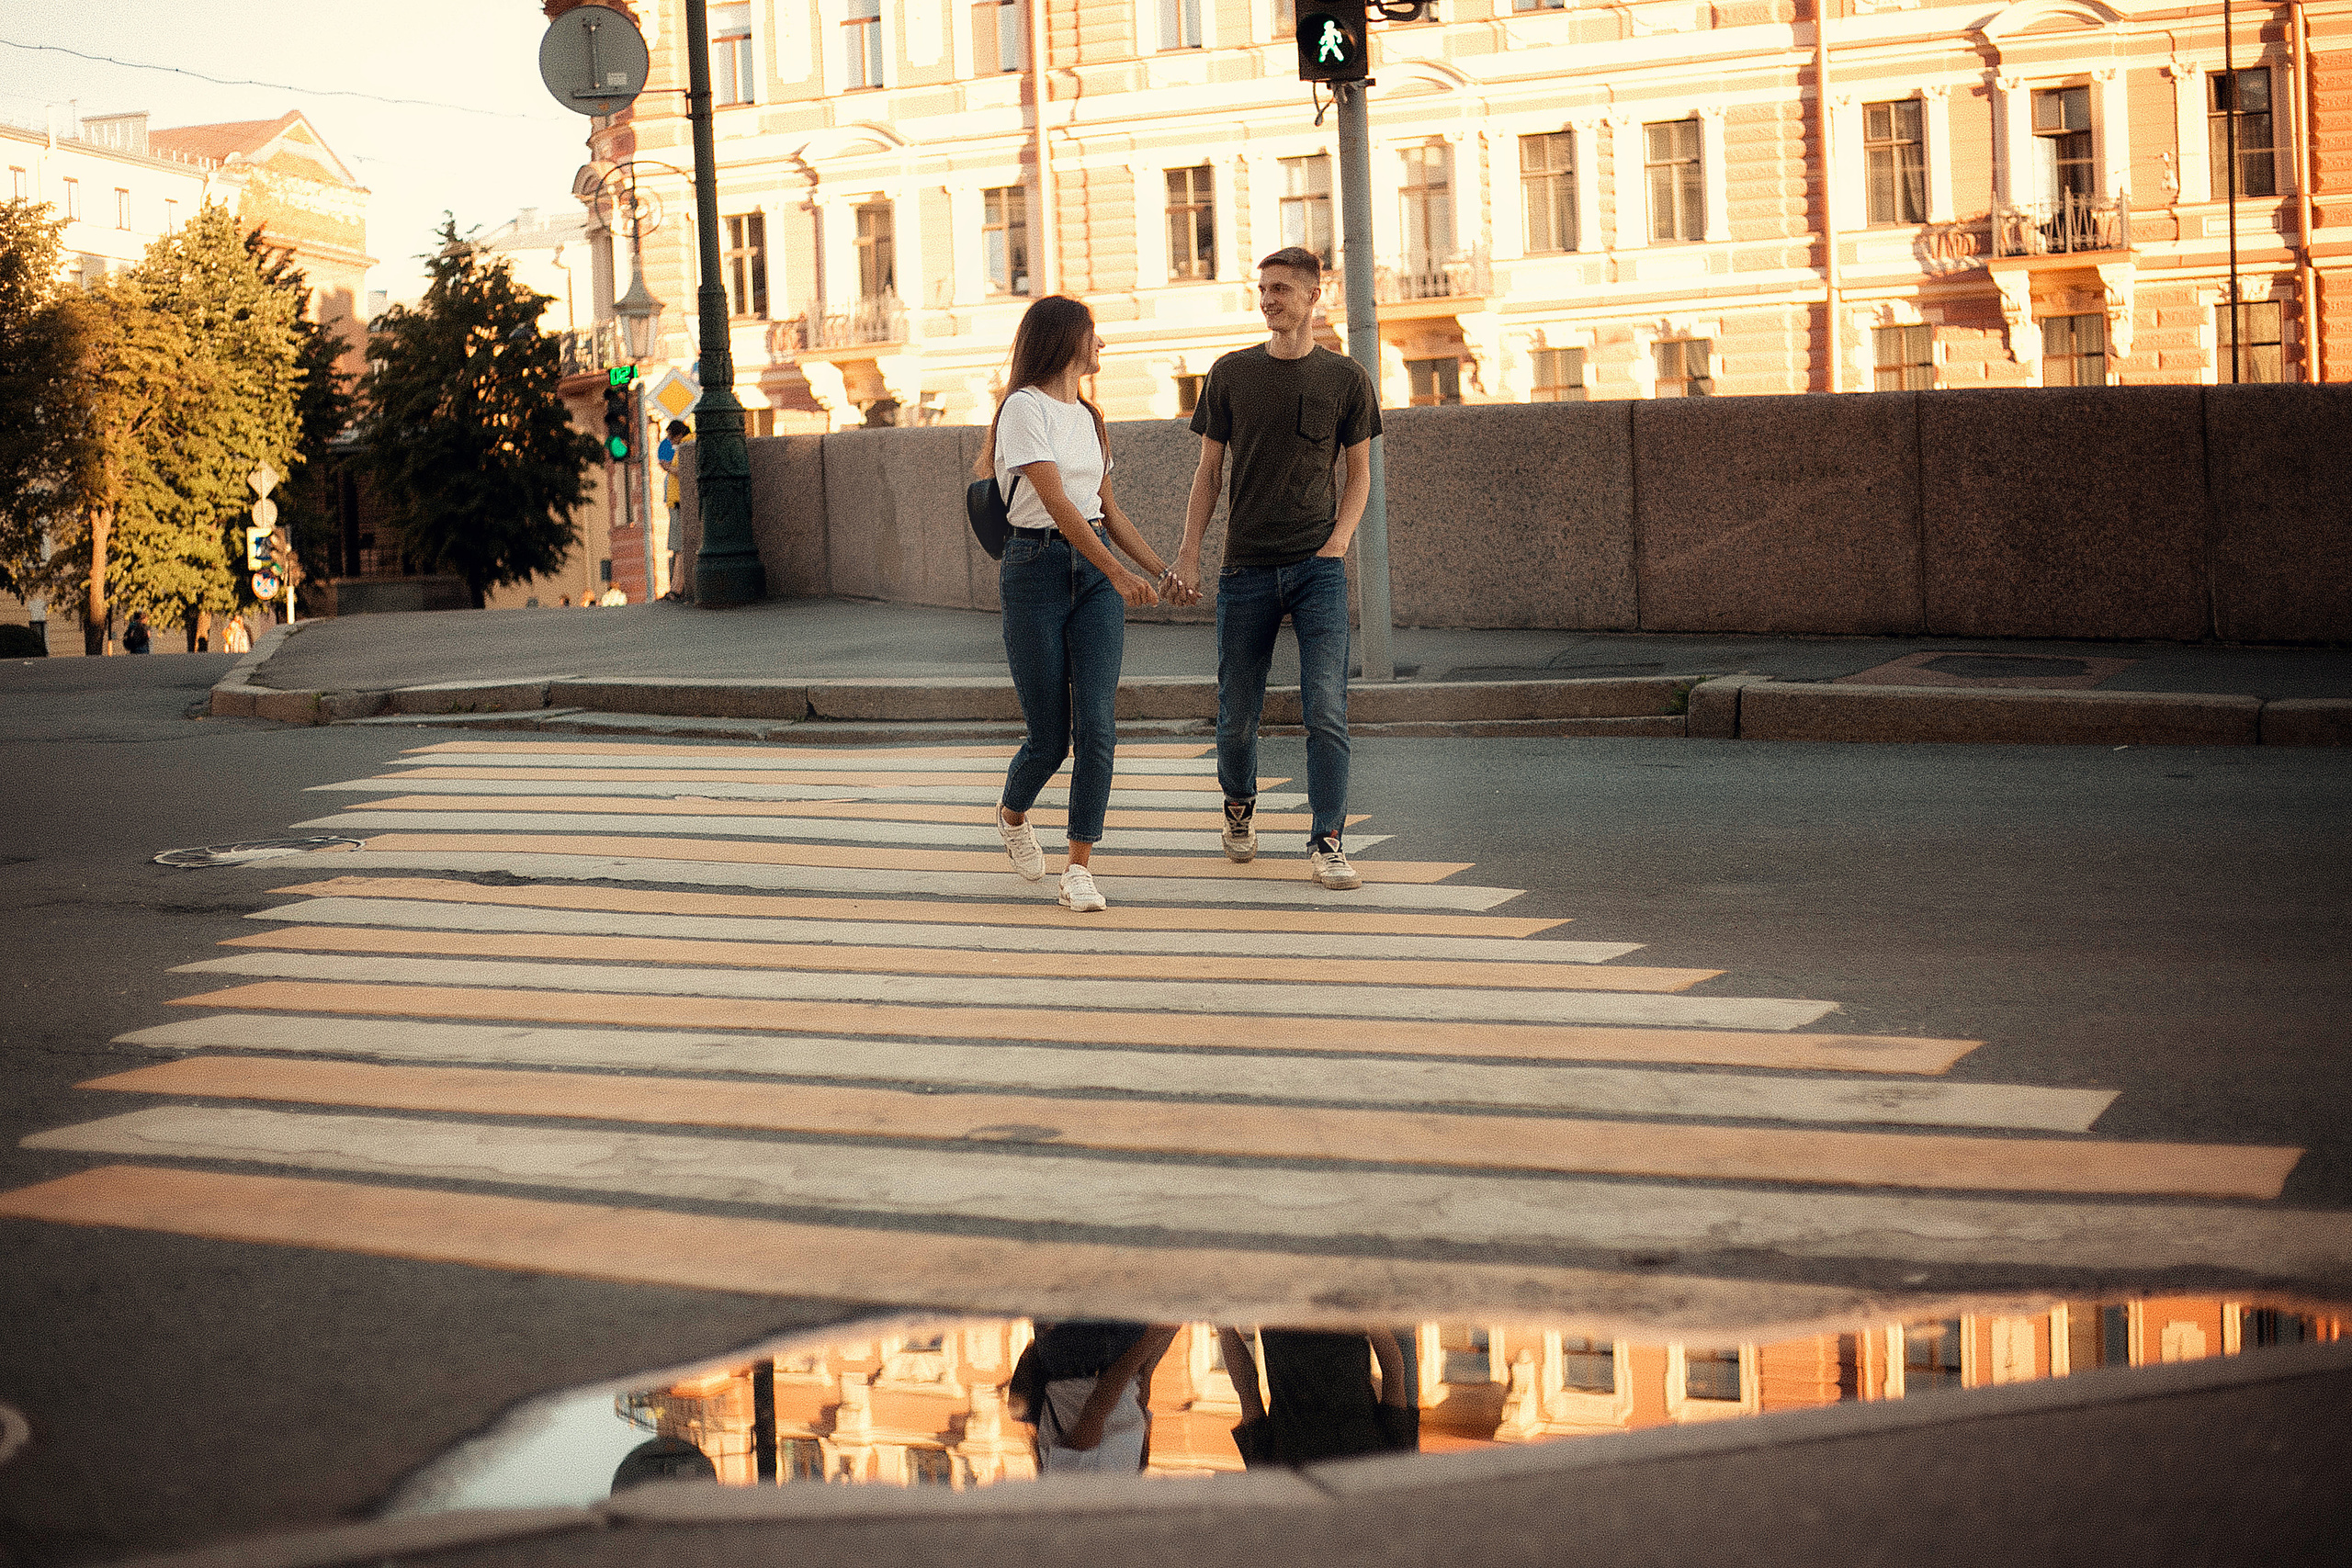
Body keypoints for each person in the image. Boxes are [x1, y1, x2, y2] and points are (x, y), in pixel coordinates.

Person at [1171, 246, 1379, 891]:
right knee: (1237, 714)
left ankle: (1328, 840)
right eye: (1263, 288)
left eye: (1282, 289)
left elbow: (1360, 473)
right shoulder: (1231, 374)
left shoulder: (1346, 379)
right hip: (1246, 569)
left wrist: (1339, 542)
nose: (1269, 299)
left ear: (1316, 295)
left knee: (1326, 707)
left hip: (1317, 568)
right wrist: (1189, 552)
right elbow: (1209, 474)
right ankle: (1239, 805)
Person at [979, 295, 1178, 914]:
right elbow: (1059, 504)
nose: (1102, 346)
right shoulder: (1022, 408)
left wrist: (1161, 571)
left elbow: (1106, 511)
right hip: (1035, 570)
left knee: (1097, 724)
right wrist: (1118, 573)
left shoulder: (1091, 417)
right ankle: (1012, 815)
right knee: (1048, 737)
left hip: (1093, 582)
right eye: (1095, 335)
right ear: (1067, 339)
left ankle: (1079, 866)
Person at [1218, 1325, 1419, 1468]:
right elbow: (1247, 1391)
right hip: (1291, 1328)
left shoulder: (1385, 1472)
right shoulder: (1277, 1483)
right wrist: (1222, 1324)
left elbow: (1394, 1376)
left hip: (1330, 1325)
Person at [1009, 1321, 1179, 1474]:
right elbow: (1137, 1399)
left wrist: (1151, 1339)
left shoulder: (1079, 1494)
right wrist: (1159, 1339)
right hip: (1109, 1353)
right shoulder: (1122, 1487)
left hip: (1085, 1352)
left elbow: (1097, 1410)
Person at [657, 418, 691, 598]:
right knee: (678, 548)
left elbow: (686, 471)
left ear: (678, 434)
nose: (669, 441)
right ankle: (675, 588)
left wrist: (668, 468)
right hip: (676, 502)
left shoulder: (687, 447)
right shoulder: (683, 447)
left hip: (680, 503)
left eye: (671, 436)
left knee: (679, 547)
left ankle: (677, 589)